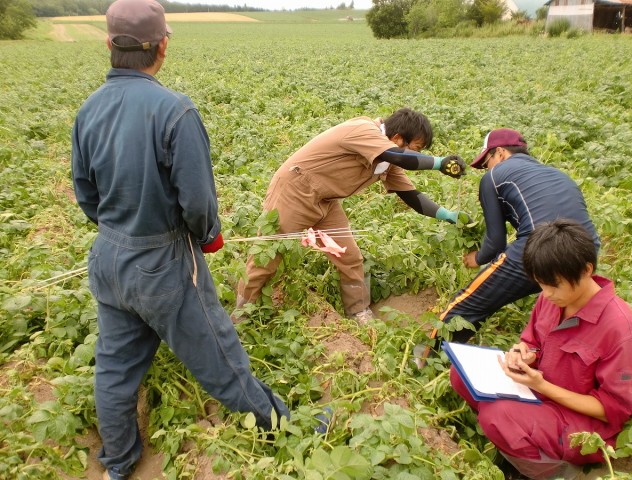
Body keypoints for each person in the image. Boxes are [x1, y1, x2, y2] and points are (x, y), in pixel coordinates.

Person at [71, 1, 289, 478]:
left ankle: (119, 461)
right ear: (163, 46)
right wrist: (208, 235)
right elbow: (197, 202)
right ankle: (284, 428)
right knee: (219, 354)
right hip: (161, 260)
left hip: (108, 257)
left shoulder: (88, 110)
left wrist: (116, 230)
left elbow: (84, 193)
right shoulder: (175, 110)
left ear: (108, 44)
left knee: (114, 367)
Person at [236, 108, 468, 324]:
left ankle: (358, 311)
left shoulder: (388, 162)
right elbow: (398, 156)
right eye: (415, 148)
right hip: (296, 190)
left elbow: (411, 196)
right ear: (398, 138)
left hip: (326, 200)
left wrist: (448, 215)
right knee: (268, 255)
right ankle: (241, 314)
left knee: (350, 256)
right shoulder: (364, 130)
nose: (415, 154)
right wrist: (439, 163)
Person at [450, 219, 632, 479]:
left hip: (581, 420)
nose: (546, 293)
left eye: (554, 285)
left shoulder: (621, 328)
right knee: (460, 374)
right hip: (541, 392)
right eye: (541, 284)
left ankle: (556, 472)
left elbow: (613, 410)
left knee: (497, 415)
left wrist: (542, 386)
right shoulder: (551, 300)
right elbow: (533, 342)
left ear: (586, 270)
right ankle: (516, 439)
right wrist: (524, 353)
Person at [427, 128, 600, 351]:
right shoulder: (558, 174)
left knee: (469, 304)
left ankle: (428, 359)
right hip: (587, 251)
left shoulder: (493, 177)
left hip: (541, 247)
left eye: (486, 162)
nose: (485, 169)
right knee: (565, 314)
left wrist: (477, 258)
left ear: (499, 153)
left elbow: (496, 242)